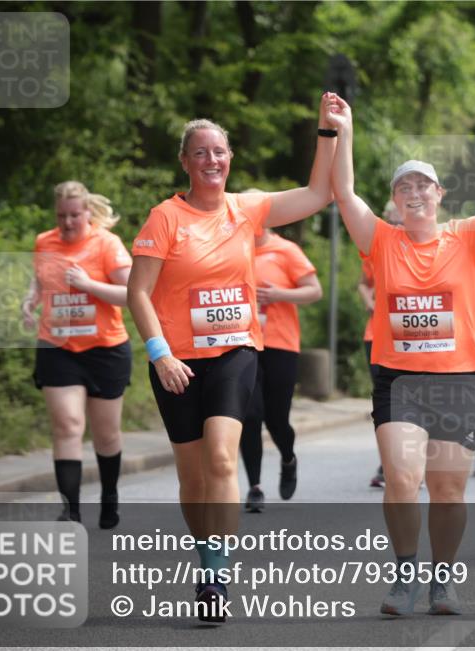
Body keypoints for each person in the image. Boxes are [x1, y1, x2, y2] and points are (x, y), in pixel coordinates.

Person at [127, 95, 337, 622]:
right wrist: (160, 356)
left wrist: (328, 133)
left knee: (222, 457)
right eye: (201, 153)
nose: (212, 161)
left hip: (236, 351)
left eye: (219, 152)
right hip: (176, 361)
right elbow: (138, 294)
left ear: (230, 158)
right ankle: (206, 557)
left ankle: (217, 574)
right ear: (186, 162)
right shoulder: (165, 218)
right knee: (192, 476)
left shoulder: (247, 208)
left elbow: (317, 193)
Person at [327, 92, 475, 615]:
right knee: (401, 477)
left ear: (439, 194)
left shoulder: (466, 238)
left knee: (447, 490)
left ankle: (442, 580)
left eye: (423, 184)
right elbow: (343, 190)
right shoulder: (380, 240)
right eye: (404, 186)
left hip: (460, 379)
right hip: (398, 379)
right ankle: (404, 575)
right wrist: (343, 129)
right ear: (395, 201)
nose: (414, 192)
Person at [22, 181, 132, 529]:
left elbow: (132, 294)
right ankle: (71, 511)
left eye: (74, 215)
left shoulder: (107, 244)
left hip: (105, 349)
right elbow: (40, 282)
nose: (68, 222)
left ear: (87, 212)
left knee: (106, 434)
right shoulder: (44, 242)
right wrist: (30, 302)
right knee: (67, 425)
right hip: (58, 346)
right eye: (61, 216)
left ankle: (110, 496)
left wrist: (89, 286)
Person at [240, 225, 322, 512]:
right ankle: (254, 487)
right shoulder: (231, 249)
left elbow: (314, 291)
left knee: (276, 420)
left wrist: (280, 295)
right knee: (249, 415)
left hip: (280, 344)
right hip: (243, 343)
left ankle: (288, 458)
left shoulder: (285, 251)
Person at [360, 201, 403, 489]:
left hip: (414, 342)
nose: (396, 222)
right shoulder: (377, 246)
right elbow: (364, 283)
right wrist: (370, 302)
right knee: (386, 402)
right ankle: (389, 463)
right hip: (376, 336)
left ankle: (411, 461)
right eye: (391, 218)